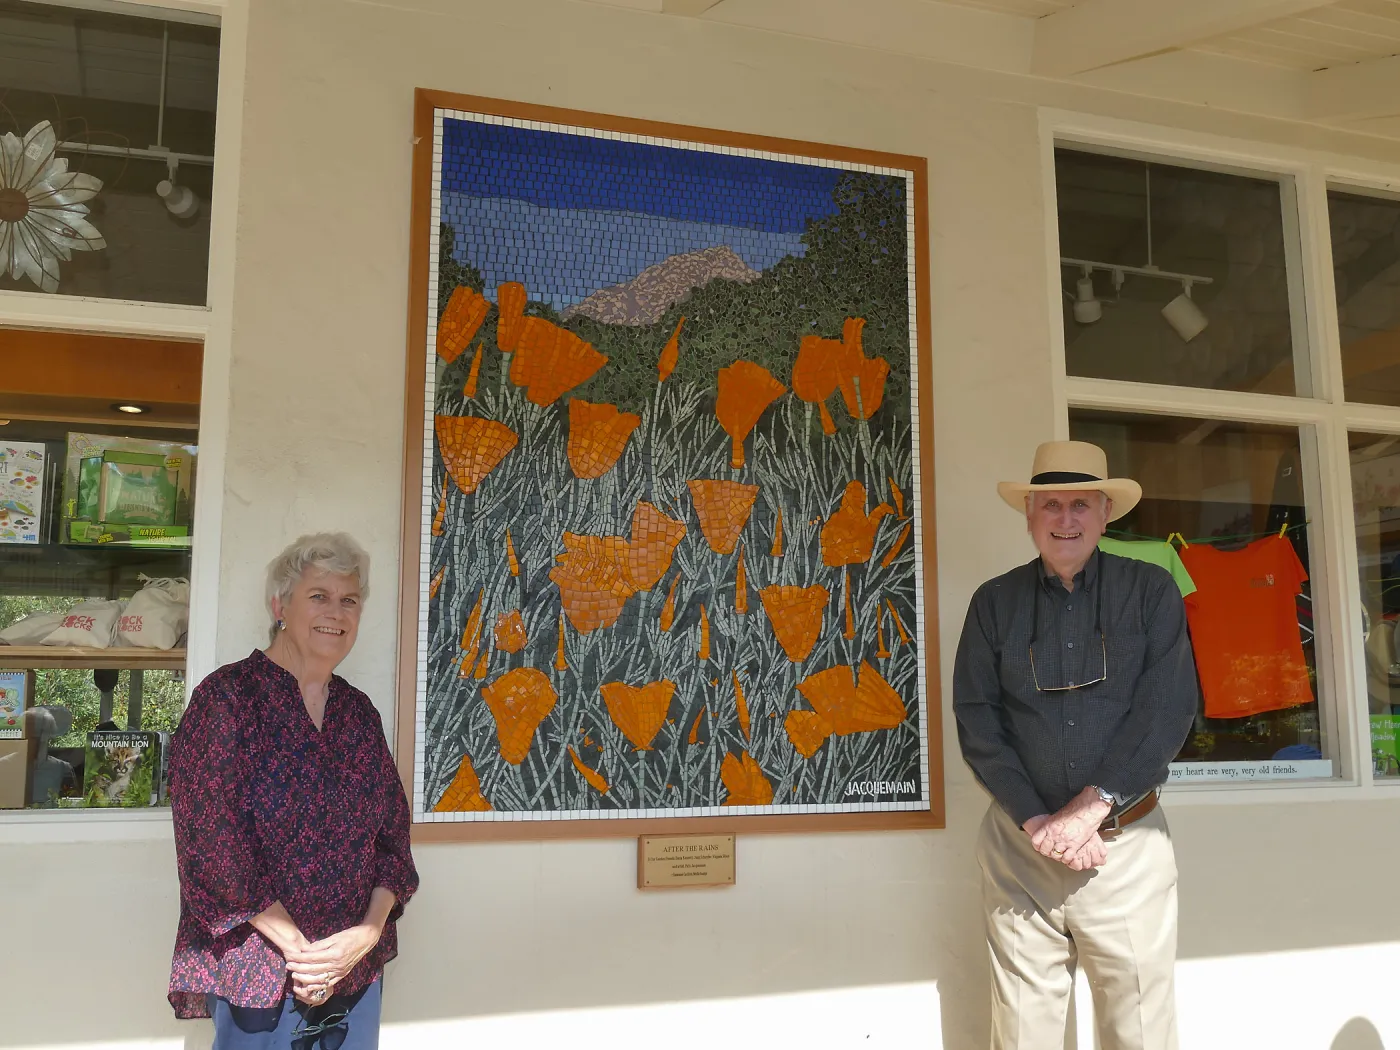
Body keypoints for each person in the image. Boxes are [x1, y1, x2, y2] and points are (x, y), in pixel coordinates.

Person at [953, 441, 1198, 1050]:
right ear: (1030, 514)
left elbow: (1167, 710)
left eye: (1081, 504)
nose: (1067, 520)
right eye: (1052, 505)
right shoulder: (992, 602)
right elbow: (977, 719)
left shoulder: (1150, 591)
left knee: (1137, 1026)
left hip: (1126, 849)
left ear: (1105, 512)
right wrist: (1036, 819)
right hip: (1020, 854)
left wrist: (1092, 808)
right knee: (1020, 1028)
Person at [167, 532, 419, 1049]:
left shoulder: (358, 713)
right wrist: (304, 954)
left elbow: (393, 841)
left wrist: (366, 934)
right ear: (280, 604)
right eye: (319, 596)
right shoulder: (227, 699)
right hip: (260, 974)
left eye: (349, 600)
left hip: (353, 971)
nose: (337, 612)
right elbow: (213, 851)